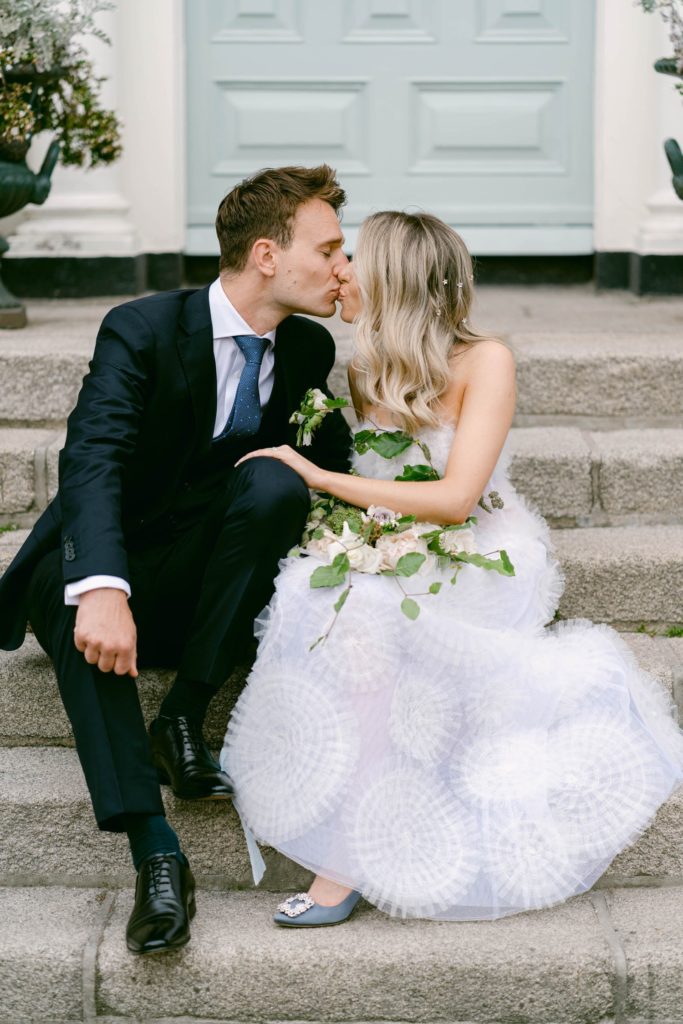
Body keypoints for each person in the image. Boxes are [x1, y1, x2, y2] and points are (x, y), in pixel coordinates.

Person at [222, 210, 683, 926]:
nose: (337, 269)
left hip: (479, 552)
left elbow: (455, 498)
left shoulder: (485, 360)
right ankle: (325, 800)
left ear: (391, 280)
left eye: (351, 259)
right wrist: (353, 532)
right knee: (322, 599)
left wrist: (316, 478)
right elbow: (388, 481)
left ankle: (341, 858)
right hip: (394, 537)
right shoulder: (364, 365)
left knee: (368, 612)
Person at [0, 164, 352, 952]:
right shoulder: (143, 327)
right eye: (329, 249)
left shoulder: (305, 349)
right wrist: (102, 586)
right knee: (73, 595)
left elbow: (336, 467)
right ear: (266, 255)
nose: (343, 268)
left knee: (274, 484)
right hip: (116, 558)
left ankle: (186, 712)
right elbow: (91, 458)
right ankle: (156, 850)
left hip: (206, 584)